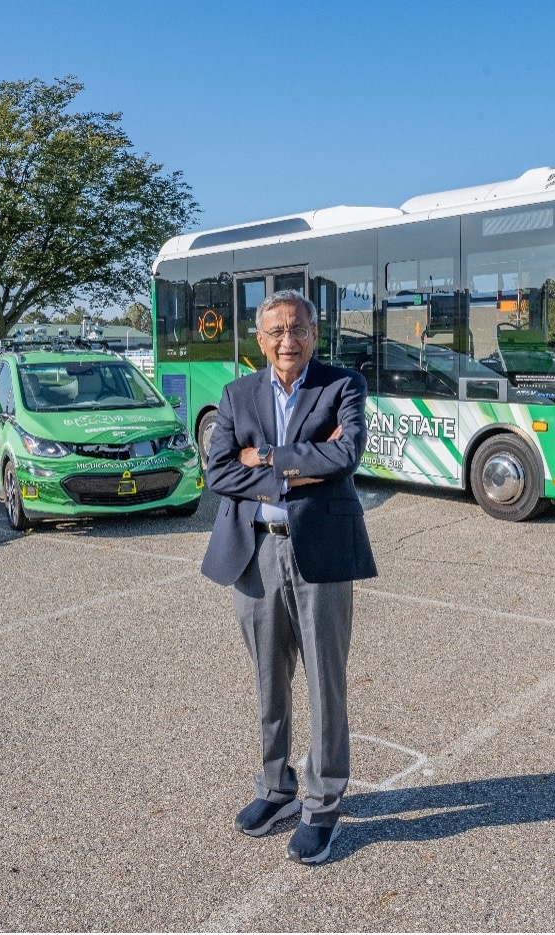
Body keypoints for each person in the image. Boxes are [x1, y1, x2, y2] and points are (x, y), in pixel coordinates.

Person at [200, 290, 377, 865]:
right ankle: (276, 790)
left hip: (320, 554)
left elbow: (345, 455)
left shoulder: (342, 385)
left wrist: (265, 458)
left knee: (326, 680)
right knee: (267, 680)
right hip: (254, 555)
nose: (287, 341)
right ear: (260, 339)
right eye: (275, 331)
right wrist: (298, 464)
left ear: (314, 332)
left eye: (297, 328)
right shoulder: (236, 393)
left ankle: (322, 806)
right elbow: (219, 471)